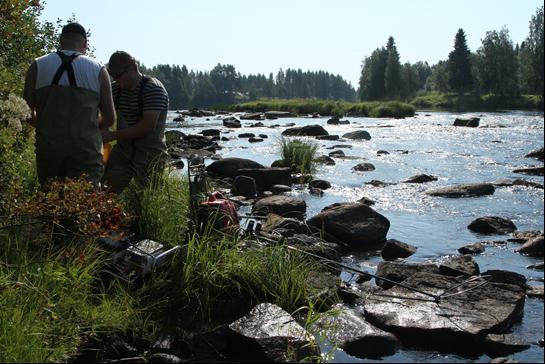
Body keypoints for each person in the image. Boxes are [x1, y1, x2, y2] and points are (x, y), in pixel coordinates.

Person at [23, 22, 116, 187]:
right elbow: (109, 119)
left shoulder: (37, 65)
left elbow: (26, 113)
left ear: (61, 41)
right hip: (85, 151)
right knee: (84, 204)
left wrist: (46, 125)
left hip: (49, 149)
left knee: (50, 201)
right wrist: (89, 125)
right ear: (85, 43)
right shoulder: (99, 69)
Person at [101, 51, 169, 194]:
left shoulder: (153, 88)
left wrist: (112, 136)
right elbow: (105, 116)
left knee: (150, 199)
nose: (116, 80)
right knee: (105, 192)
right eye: (113, 76)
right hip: (123, 152)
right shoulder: (115, 89)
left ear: (131, 68)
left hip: (150, 153)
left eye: (118, 76)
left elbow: (147, 127)